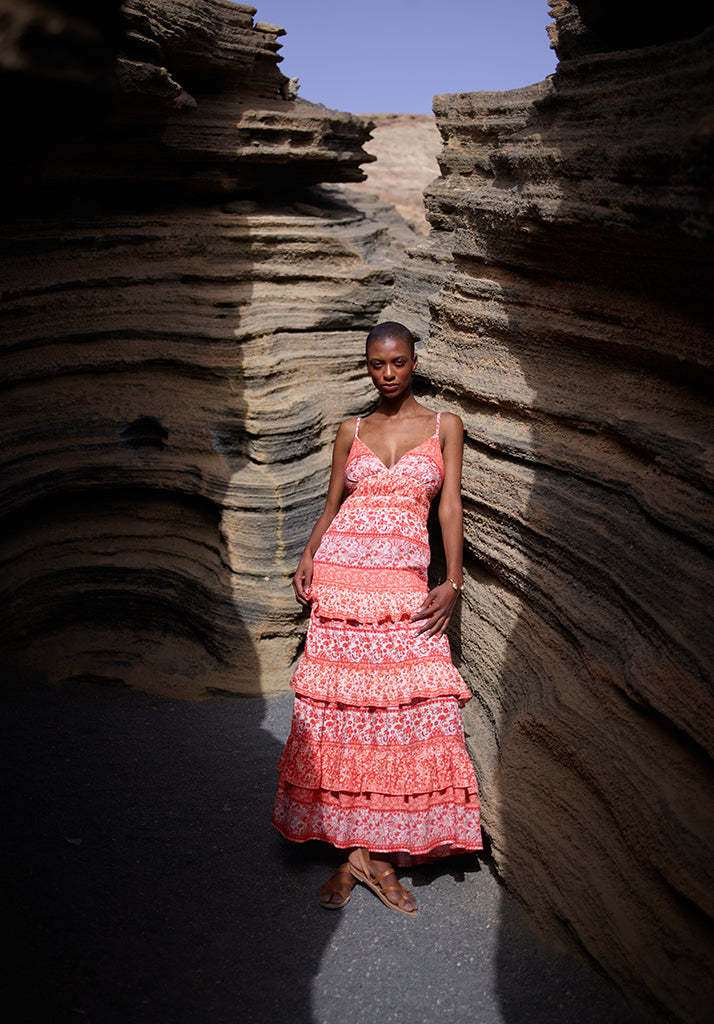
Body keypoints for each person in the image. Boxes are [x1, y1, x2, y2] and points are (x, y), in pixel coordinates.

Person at [272, 321, 482, 915]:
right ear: (367, 366)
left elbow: (449, 505)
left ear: (415, 361)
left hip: (403, 589)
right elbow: (334, 501)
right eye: (375, 364)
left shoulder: (445, 426)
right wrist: (309, 555)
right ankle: (358, 853)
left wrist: (453, 581)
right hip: (341, 583)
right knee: (345, 721)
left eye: (397, 362)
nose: (386, 374)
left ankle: (379, 853)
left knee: (409, 718)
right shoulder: (351, 429)